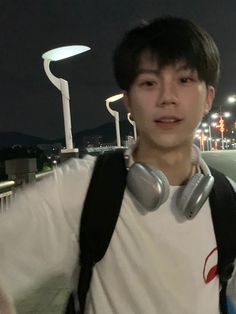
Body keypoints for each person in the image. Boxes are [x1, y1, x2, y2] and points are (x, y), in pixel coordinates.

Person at [0, 16, 235, 314]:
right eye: (149, 83)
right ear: (128, 101)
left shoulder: (227, 202)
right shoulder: (81, 189)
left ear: (208, 98)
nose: (167, 98)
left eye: (184, 80)